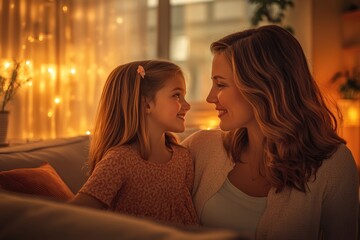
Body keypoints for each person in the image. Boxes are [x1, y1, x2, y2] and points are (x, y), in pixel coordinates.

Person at [182, 25, 359, 239]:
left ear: (262, 87)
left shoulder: (333, 165)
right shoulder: (200, 147)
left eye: (221, 84)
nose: (210, 97)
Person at [70, 60, 199, 226]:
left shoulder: (184, 158)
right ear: (146, 105)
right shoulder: (120, 160)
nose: (187, 105)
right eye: (176, 95)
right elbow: (73, 214)